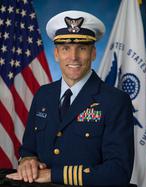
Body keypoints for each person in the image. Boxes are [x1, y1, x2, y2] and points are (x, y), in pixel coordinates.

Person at [6, 10, 134, 186]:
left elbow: (119, 172)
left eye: (81, 48)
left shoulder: (115, 100)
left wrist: (53, 175)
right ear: (56, 54)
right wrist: (28, 159)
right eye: (66, 48)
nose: (73, 57)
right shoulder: (43, 95)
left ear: (93, 53)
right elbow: (29, 149)